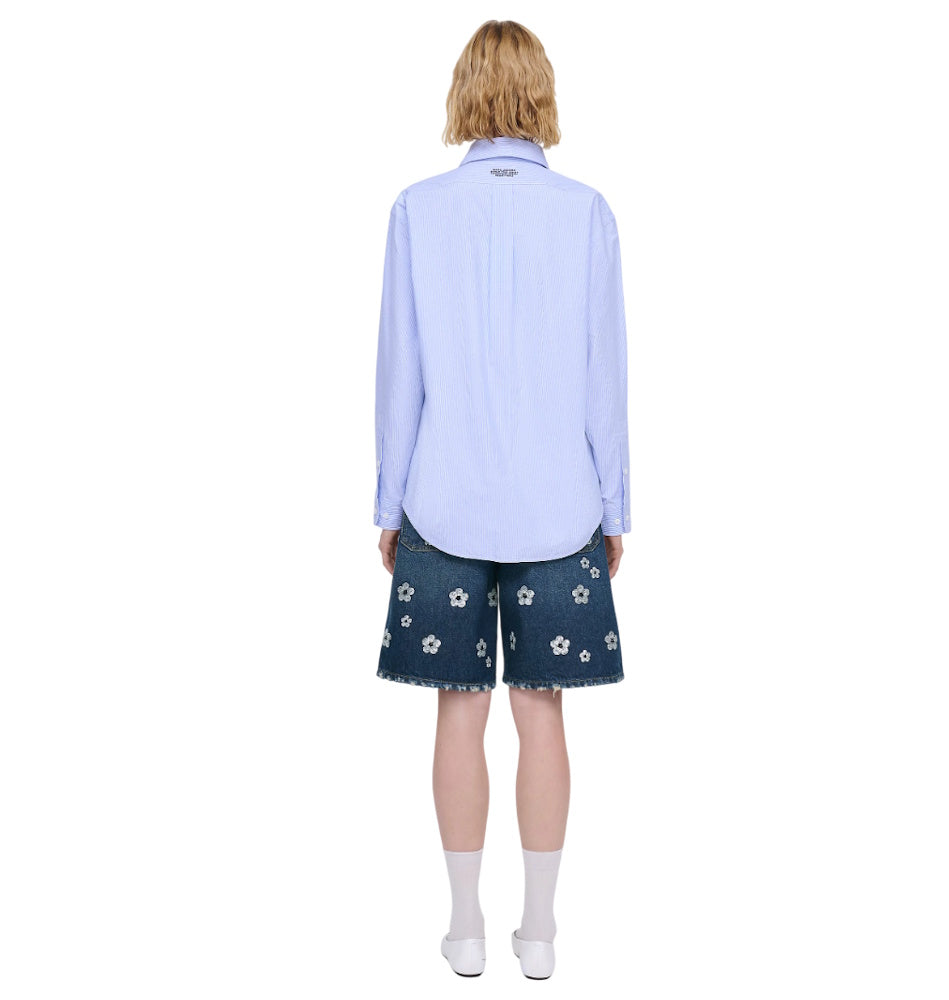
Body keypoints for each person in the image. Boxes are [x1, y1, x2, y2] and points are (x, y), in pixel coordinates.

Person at [373, 20, 632, 980]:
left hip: (442, 499)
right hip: (560, 503)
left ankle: (465, 926)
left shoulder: (417, 209)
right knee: (542, 711)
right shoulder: (588, 212)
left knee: (457, 710)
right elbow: (604, 376)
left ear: (465, 91)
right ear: (541, 92)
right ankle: (542, 930)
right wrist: (615, 507)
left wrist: (389, 503)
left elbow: (400, 371)